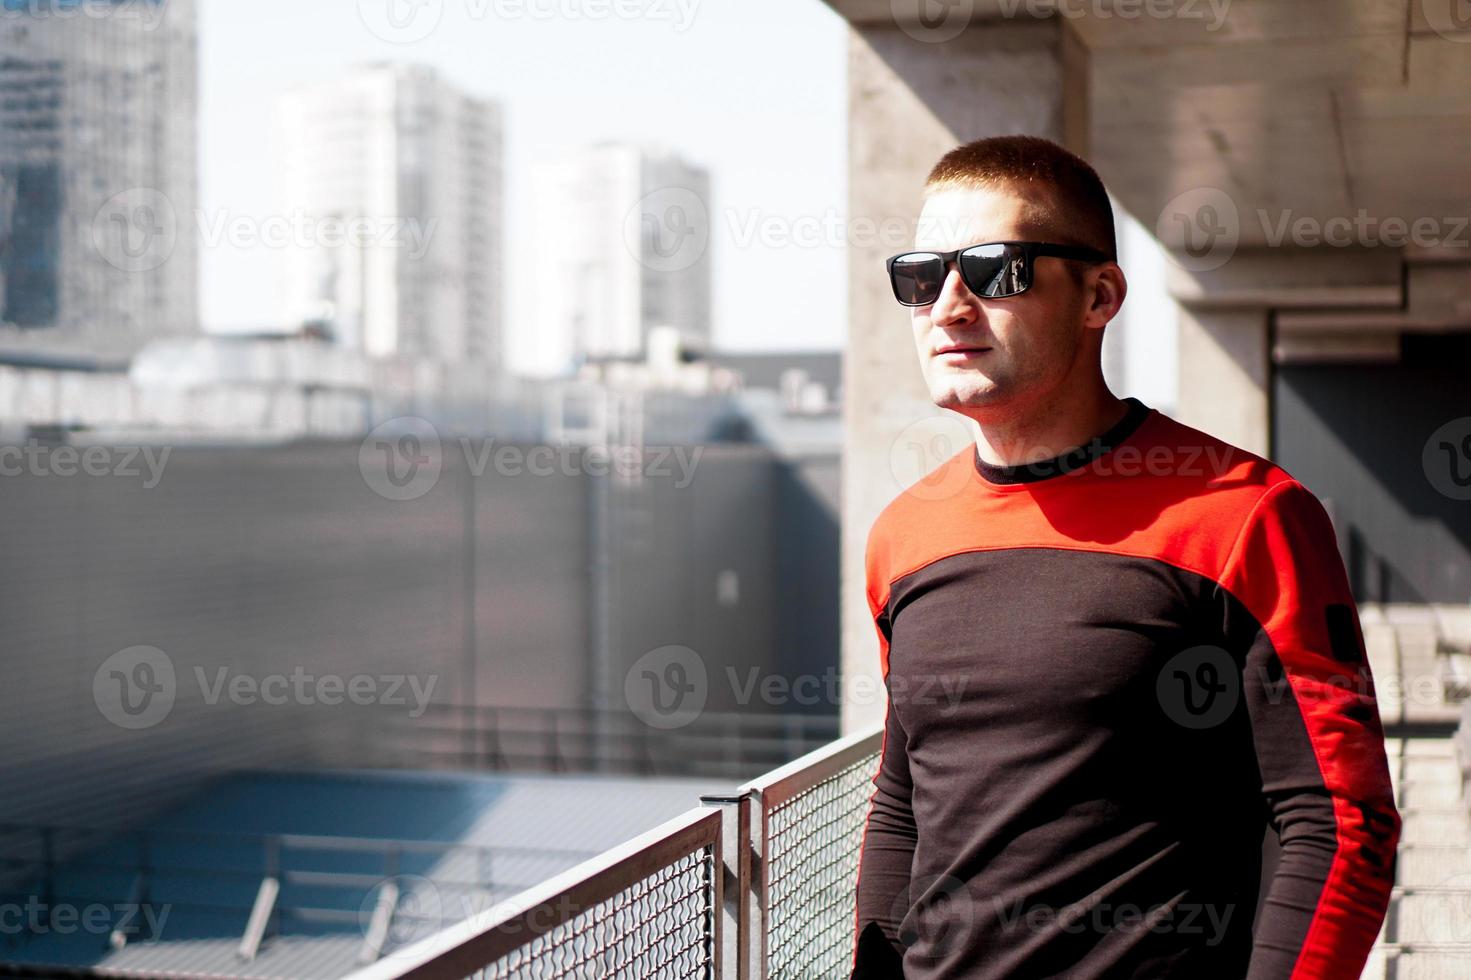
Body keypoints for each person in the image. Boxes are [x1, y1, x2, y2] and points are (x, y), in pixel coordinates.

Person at [850, 134, 1400, 979]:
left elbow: (1336, 819)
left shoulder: (1245, 516)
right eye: (920, 278)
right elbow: (901, 805)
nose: (949, 305)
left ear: (1099, 294)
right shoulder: (903, 536)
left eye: (998, 270)